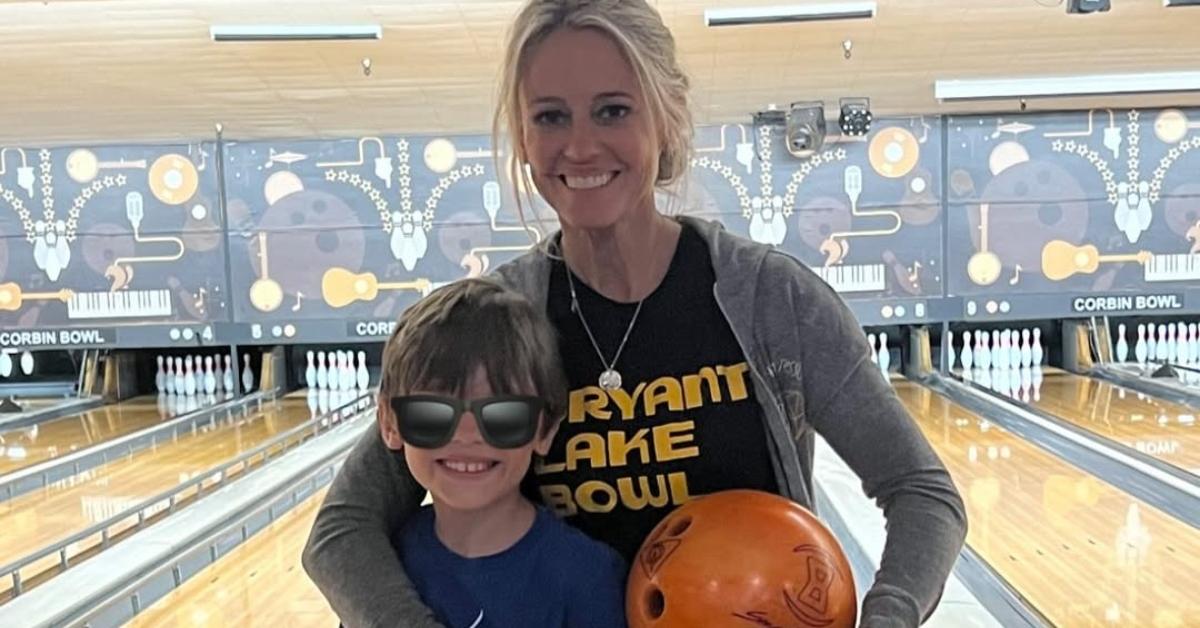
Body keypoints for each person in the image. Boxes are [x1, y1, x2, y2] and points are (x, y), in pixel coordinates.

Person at [304, 1, 968, 626]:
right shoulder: (498, 323)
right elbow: (341, 531)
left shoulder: (770, 299)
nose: (580, 146)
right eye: (550, 117)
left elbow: (921, 491)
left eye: (613, 111)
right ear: (523, 138)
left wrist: (886, 618)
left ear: (668, 117)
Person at [375, 278, 627, 627]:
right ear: (389, 423)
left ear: (546, 429)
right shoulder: (380, 563)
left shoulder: (588, 577)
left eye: (504, 416)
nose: (467, 436)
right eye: (432, 414)